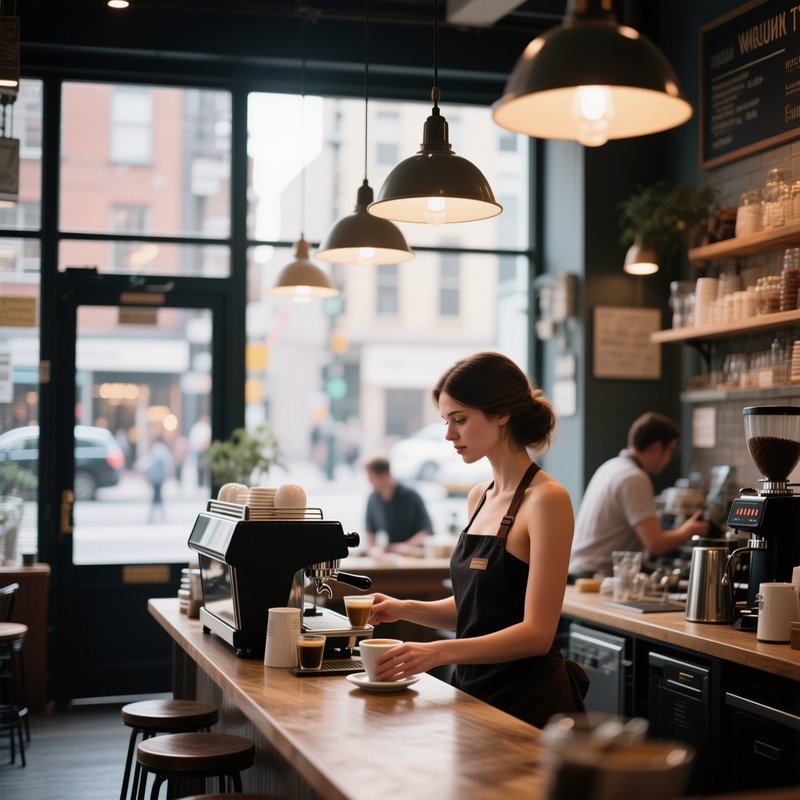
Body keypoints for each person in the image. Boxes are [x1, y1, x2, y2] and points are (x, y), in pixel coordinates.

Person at [367, 352, 588, 728]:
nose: (449, 435)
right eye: (447, 421)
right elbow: (477, 610)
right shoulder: (478, 497)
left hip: (529, 702)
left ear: (501, 414)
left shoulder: (547, 500)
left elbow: (536, 634)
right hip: (472, 694)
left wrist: (435, 652)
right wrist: (403, 608)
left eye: (460, 420)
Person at [569, 411, 710, 580]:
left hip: (578, 572)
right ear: (657, 447)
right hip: (595, 578)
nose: (669, 459)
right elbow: (656, 545)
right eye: (671, 451)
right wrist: (688, 530)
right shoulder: (633, 478)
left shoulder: (611, 466)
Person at [363, 455, 433, 554]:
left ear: (384, 475)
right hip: (389, 554)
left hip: (413, 554)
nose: (369, 481)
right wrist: (372, 549)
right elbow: (370, 529)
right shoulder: (373, 498)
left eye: (371, 477)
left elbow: (427, 530)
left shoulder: (410, 495)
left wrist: (406, 546)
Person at [137, 436, 174, 523]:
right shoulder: (163, 450)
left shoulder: (156, 449)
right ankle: (158, 516)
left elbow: (148, 462)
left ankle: (153, 516)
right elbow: (167, 463)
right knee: (157, 496)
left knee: (156, 496)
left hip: (155, 477)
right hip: (159, 477)